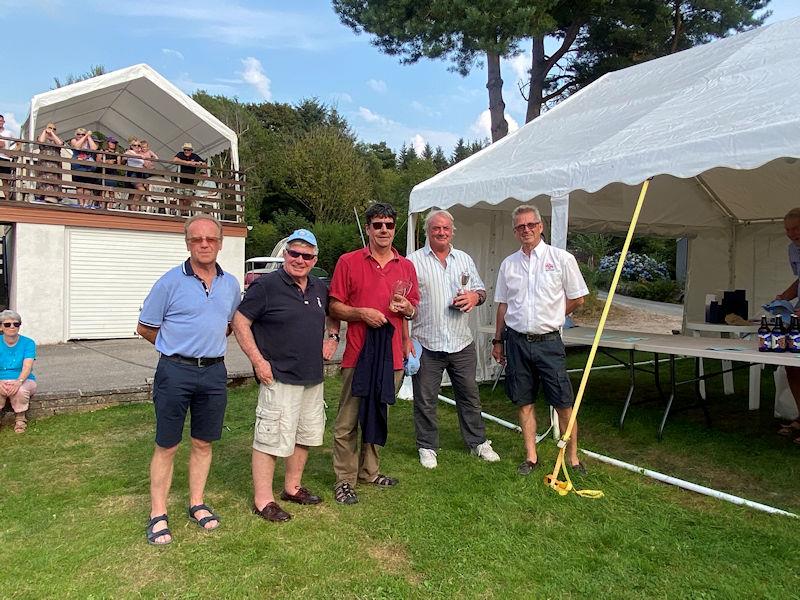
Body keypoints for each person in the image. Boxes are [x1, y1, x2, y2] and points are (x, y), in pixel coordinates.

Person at [136, 215, 241, 546]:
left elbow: (226, 324)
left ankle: (197, 502)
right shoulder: (169, 282)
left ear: (220, 243)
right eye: (197, 239)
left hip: (213, 372)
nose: (204, 244)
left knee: (203, 442)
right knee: (167, 444)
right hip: (175, 371)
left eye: (211, 239)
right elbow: (145, 327)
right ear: (187, 243)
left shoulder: (231, 285)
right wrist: (176, 349)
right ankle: (157, 514)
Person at [233, 229, 340, 522]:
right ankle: (263, 500)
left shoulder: (319, 287)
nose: (300, 260)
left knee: (304, 434)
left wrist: (332, 337)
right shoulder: (266, 286)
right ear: (285, 254)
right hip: (277, 374)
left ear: (314, 259)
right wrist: (257, 361)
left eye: (307, 256)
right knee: (270, 437)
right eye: (294, 253)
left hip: (311, 375)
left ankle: (292, 488)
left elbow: (334, 313)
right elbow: (240, 321)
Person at [328, 202, 419, 505]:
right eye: (377, 224)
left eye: (389, 225)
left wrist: (407, 308)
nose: (383, 230)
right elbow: (334, 306)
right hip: (358, 353)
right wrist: (361, 313)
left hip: (391, 356)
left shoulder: (405, 266)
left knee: (378, 416)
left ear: (395, 229)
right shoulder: (348, 261)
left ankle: (370, 471)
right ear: (368, 228)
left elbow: (413, 308)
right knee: (347, 421)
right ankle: (344, 479)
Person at [491, 205, 589, 475]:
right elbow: (502, 306)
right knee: (524, 401)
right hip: (517, 342)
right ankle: (531, 456)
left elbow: (578, 297)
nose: (527, 230)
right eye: (521, 226)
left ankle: (573, 458)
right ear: (515, 231)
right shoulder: (508, 264)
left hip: (549, 342)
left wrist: (556, 314)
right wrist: (497, 341)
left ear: (541, 226)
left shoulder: (561, 258)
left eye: (531, 225)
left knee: (563, 402)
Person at [407, 209, 500, 468]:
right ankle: (427, 446)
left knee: (469, 395)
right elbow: (405, 299)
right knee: (425, 399)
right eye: (436, 228)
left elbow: (480, 291)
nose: (441, 232)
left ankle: (478, 442)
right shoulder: (413, 261)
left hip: (461, 341)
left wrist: (473, 298)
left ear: (452, 231)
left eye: (446, 228)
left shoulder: (464, 259)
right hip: (427, 341)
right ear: (428, 231)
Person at [775, 207, 800, 445]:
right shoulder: (793, 249)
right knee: (791, 365)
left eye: (796, 229)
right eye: (788, 230)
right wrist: (784, 297)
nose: (792, 234)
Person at [0, 310, 36, 434]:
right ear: (1, 327)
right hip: (1, 379)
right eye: (7, 324)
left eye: (16, 324)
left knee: (20, 391)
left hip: (24, 379)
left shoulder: (28, 343)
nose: (12, 327)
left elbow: (27, 366)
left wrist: (18, 382)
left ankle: (20, 419)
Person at [69, 128, 99, 208]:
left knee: (87, 187)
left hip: (88, 167)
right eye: (78, 134)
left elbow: (94, 148)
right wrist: (85, 136)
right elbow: (76, 146)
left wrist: (88, 137)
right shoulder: (74, 140)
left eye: (82, 134)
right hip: (77, 167)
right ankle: (81, 204)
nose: (80, 136)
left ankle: (86, 204)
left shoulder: (88, 141)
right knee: (79, 187)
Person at [35, 123, 64, 204]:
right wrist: (45, 131)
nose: (51, 129)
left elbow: (60, 144)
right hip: (44, 162)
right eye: (50, 128)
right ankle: (42, 195)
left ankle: (53, 196)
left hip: (55, 163)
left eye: (54, 128)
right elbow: (41, 141)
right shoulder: (42, 136)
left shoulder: (57, 138)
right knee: (43, 177)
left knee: (54, 178)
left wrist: (52, 134)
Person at [172, 142, 205, 213]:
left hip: (189, 180)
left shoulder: (195, 156)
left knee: (189, 197)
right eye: (185, 150)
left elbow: (204, 164)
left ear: (191, 150)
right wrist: (187, 162)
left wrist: (197, 163)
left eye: (188, 150)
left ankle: (184, 211)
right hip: (179, 179)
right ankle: (181, 212)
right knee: (179, 196)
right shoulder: (180, 154)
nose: (186, 151)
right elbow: (174, 160)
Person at [124, 139, 147, 211]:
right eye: (135, 145)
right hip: (133, 173)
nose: (137, 147)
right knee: (141, 190)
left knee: (132, 193)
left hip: (140, 173)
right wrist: (139, 156)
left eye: (139, 145)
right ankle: (133, 206)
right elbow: (126, 155)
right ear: (131, 146)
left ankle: (130, 210)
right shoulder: (130, 152)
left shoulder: (141, 154)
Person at [99, 137, 123, 206]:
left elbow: (119, 165)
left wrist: (118, 157)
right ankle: (101, 205)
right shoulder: (103, 150)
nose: (113, 144)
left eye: (114, 143)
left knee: (111, 191)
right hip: (103, 172)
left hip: (113, 173)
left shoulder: (117, 153)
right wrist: (107, 162)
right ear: (108, 143)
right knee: (102, 190)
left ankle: (111, 207)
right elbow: (98, 160)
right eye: (112, 142)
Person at [0, 114, 17, 201]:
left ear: (4, 122)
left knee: (5, 180)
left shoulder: (8, 133)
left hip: (5, 158)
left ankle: (7, 199)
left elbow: (19, 142)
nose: (0, 122)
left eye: (1, 121)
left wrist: (12, 152)